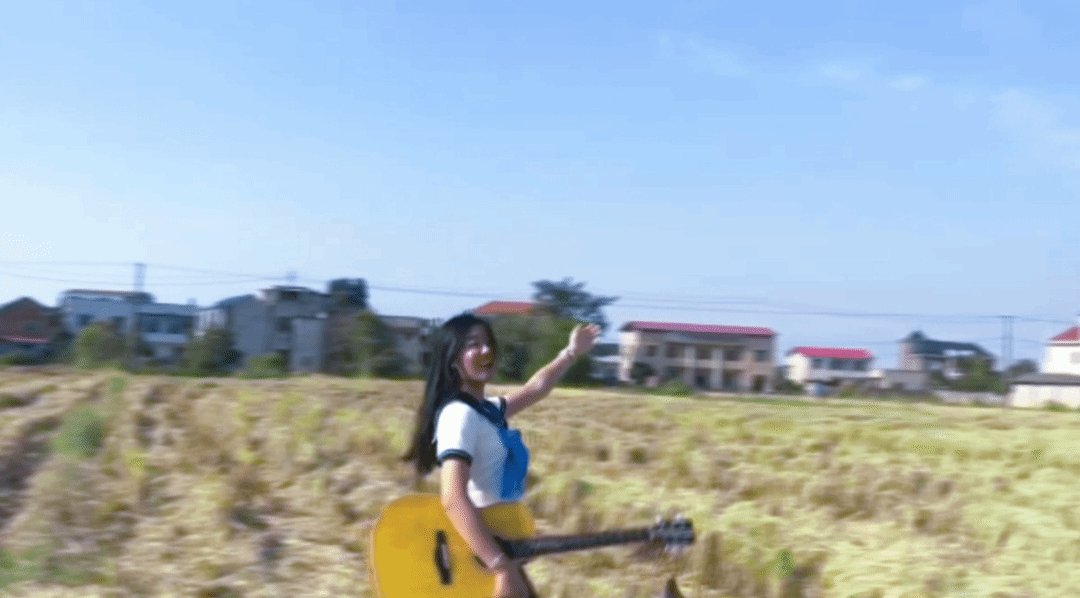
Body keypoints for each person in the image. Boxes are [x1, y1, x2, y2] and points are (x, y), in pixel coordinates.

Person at [403, 312, 600, 598]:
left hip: (497, 549)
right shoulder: (459, 415)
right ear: (453, 359)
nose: (486, 350)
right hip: (483, 560)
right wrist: (499, 566)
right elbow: (453, 498)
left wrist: (569, 353)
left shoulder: (487, 411)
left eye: (489, 343)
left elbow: (535, 389)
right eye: (473, 344)